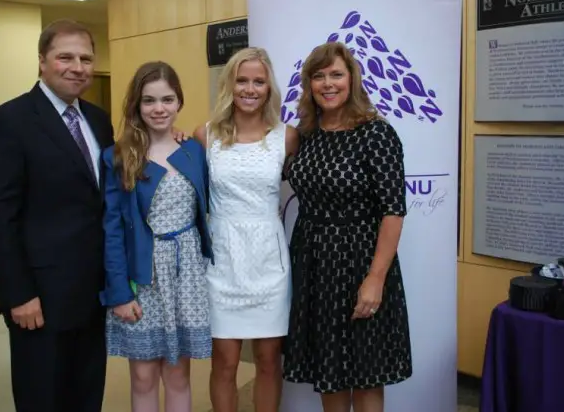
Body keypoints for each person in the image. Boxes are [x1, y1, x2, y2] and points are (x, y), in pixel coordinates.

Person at [0, 19, 113, 412]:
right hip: (39, 299)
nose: (78, 66)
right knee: (43, 398)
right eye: (65, 57)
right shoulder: (10, 121)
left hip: (92, 292)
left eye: (86, 58)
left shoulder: (98, 120)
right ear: (42, 61)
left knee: (86, 395)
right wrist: (18, 294)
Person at [282, 41, 413, 412]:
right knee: (330, 369)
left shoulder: (376, 134)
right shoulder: (305, 134)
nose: (328, 83)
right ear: (308, 84)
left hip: (360, 260)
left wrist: (376, 278)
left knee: (367, 370)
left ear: (351, 79)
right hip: (313, 262)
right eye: (318, 76)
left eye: (336, 74)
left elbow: (393, 210)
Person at [100, 61, 213, 412]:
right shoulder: (120, 156)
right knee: (144, 376)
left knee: (178, 376)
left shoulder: (193, 150)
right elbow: (113, 229)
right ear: (137, 105)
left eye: (167, 99)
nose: (159, 109)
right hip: (142, 277)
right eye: (149, 101)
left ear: (179, 102)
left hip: (187, 275)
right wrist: (118, 291)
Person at [193, 47, 299, 412]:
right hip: (223, 260)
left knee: (270, 361)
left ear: (269, 87)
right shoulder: (204, 136)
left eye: (258, 81)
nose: (250, 88)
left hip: (269, 260)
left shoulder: (287, 138)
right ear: (229, 85)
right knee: (224, 361)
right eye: (242, 80)